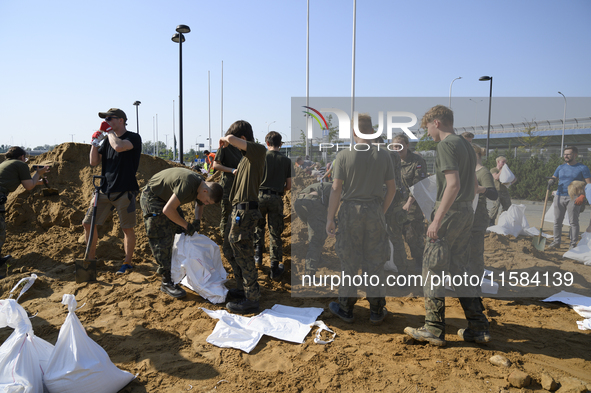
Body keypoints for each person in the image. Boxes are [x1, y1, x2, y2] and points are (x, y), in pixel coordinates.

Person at [404, 105, 490, 347]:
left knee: (432, 268)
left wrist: (438, 218)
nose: (428, 133)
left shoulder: (446, 145)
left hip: (449, 213)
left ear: (437, 122)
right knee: (460, 270)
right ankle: (479, 327)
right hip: (465, 213)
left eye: (428, 128)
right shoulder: (466, 145)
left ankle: (433, 327)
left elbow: (452, 184)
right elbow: (472, 186)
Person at [326, 113, 396, 325]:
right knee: (374, 262)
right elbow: (391, 189)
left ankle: (346, 308)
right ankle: (376, 309)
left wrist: (331, 218)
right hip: (374, 210)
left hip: (350, 211)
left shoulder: (344, 155)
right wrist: (379, 212)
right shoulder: (384, 155)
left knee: (349, 261)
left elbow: (336, 189)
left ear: (354, 132)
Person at [141, 167, 222, 298]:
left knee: (181, 233)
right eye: (207, 201)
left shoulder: (201, 186)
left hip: (166, 199)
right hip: (154, 198)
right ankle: (166, 281)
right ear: (205, 190)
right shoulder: (187, 185)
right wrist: (186, 225)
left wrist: (197, 220)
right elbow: (168, 210)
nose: (206, 203)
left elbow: (200, 203)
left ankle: (179, 270)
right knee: (162, 237)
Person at [83, 108, 142, 274]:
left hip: (125, 190)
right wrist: (94, 143)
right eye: (106, 119)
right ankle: (90, 260)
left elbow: (119, 147)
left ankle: (127, 262)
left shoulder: (133, 137)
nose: (107, 121)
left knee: (127, 228)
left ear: (121, 120)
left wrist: (108, 132)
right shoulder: (108, 139)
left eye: (110, 118)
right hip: (104, 190)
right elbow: (93, 162)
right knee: (88, 223)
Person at [220, 120, 267, 314]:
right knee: (230, 248)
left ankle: (252, 299)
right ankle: (242, 288)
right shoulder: (245, 159)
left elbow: (231, 138)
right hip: (238, 210)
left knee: (244, 252)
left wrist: (225, 139)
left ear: (243, 139)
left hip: (246, 211)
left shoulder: (258, 151)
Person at [0, 147, 50, 269]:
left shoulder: (5, 164)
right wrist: (39, 173)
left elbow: (24, 182)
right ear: (22, 157)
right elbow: (28, 186)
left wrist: (38, 182)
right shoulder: (20, 165)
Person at [254, 131, 292, 280]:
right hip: (276, 198)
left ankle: (257, 257)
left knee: (258, 227)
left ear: (267, 143)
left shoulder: (260, 157)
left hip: (259, 197)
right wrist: (277, 190)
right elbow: (288, 185)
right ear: (280, 144)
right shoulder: (286, 161)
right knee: (275, 232)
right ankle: (274, 268)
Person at [393, 133, 428, 273]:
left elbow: (418, 185)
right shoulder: (391, 161)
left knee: (412, 234)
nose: (397, 148)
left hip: (412, 203)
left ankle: (419, 260)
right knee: (395, 233)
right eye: (395, 146)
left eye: (400, 145)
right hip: (395, 203)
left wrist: (408, 203)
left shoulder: (417, 161)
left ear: (407, 145)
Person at [548, 146, 591, 249]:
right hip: (559, 196)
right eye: (565, 154)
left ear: (575, 155)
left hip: (574, 197)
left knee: (573, 222)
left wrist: (582, 196)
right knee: (557, 221)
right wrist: (551, 180)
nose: (566, 156)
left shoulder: (582, 168)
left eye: (568, 154)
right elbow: (554, 177)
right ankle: (556, 241)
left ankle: (573, 244)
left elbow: (589, 184)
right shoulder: (560, 167)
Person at [470, 143, 498, 286]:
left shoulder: (483, 172)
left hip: (478, 218)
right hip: (468, 217)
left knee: (475, 253)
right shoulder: (469, 171)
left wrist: (481, 190)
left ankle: (476, 285)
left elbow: (493, 194)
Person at [294, 181, 333, 275]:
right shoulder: (339, 188)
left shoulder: (325, 185)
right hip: (313, 203)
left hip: (299, 203)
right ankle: (309, 272)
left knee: (318, 231)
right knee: (317, 238)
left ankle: (318, 259)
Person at [384, 140, 410, 274]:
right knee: (396, 239)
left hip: (382, 201)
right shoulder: (394, 154)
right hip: (396, 202)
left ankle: (373, 270)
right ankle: (403, 272)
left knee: (374, 237)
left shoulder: (379, 154)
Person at [212, 139, 242, 237]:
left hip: (240, 186)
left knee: (240, 214)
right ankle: (225, 240)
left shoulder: (243, 148)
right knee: (227, 213)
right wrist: (232, 170)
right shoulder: (225, 147)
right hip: (227, 186)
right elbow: (215, 165)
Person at [489, 156, 516, 226]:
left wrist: (510, 183)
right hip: (496, 191)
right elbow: (496, 177)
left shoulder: (506, 170)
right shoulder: (493, 170)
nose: (504, 164)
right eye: (503, 162)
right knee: (496, 205)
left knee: (507, 206)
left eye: (505, 162)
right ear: (498, 162)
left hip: (504, 191)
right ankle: (491, 220)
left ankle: (503, 220)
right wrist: (501, 171)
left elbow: (514, 178)